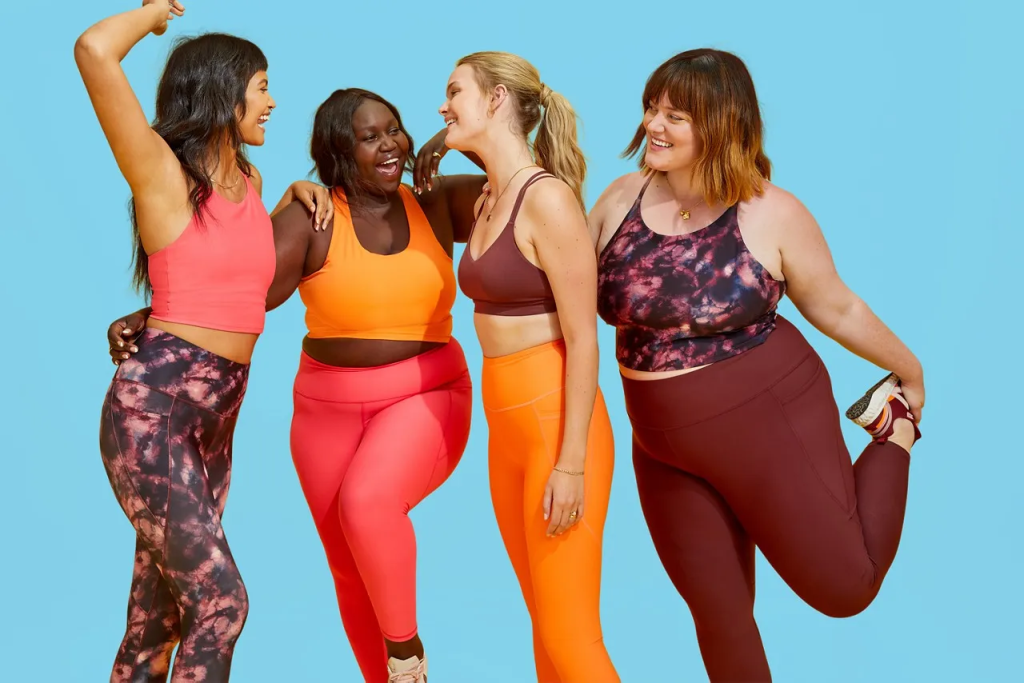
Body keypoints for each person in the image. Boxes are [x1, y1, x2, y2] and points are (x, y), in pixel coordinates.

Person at [103, 87, 486, 683]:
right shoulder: (314, 217)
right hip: (325, 412)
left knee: (369, 502)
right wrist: (152, 317)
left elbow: (523, 182)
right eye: (370, 136)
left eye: (395, 130)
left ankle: (407, 655)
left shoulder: (435, 202)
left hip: (425, 391)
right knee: (348, 565)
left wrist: (461, 141)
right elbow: (234, 291)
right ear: (338, 153)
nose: (390, 145)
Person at [589, 48, 924, 682]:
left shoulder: (769, 212)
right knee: (718, 615)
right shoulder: (618, 199)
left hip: (767, 417)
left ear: (720, 125)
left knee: (846, 589)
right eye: (652, 108)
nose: (655, 126)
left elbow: (837, 306)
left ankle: (896, 426)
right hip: (660, 443)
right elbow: (557, 281)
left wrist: (909, 368)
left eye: (677, 115)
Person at [77, 3, 331, 681]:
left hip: (214, 423)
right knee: (221, 601)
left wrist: (293, 199)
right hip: (154, 413)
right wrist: (152, 14)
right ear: (223, 90)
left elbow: (226, 276)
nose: (274, 102)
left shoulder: (249, 182)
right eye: (262, 86)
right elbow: (94, 51)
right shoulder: (162, 173)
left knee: (154, 625)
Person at [419, 51, 620, 682]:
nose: (443, 104)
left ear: (498, 99)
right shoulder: (486, 198)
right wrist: (446, 141)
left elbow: (585, 342)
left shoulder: (547, 200)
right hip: (504, 430)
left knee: (571, 639)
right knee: (546, 637)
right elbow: (399, 194)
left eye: (455, 92)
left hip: (557, 426)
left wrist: (571, 463)